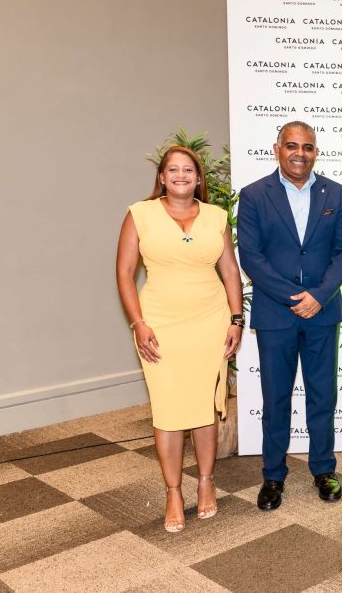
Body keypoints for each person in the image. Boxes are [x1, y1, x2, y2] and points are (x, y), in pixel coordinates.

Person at [116, 146, 244, 533]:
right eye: (173, 169)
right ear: (161, 177)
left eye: (188, 169)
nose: (181, 175)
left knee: (204, 406)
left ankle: (206, 482)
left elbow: (231, 273)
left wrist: (237, 320)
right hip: (161, 323)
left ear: (199, 178)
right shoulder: (140, 214)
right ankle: (173, 491)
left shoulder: (216, 217)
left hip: (210, 320)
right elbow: (124, 273)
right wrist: (138, 323)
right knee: (169, 410)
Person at [237, 120, 342, 509]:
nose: (298, 153)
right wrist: (293, 296)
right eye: (291, 146)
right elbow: (251, 256)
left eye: (306, 147)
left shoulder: (335, 192)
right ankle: (273, 475)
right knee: (276, 398)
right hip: (276, 314)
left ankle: (324, 468)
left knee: (322, 395)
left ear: (315, 151)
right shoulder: (254, 195)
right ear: (277, 149)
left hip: (322, 313)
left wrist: (319, 296)